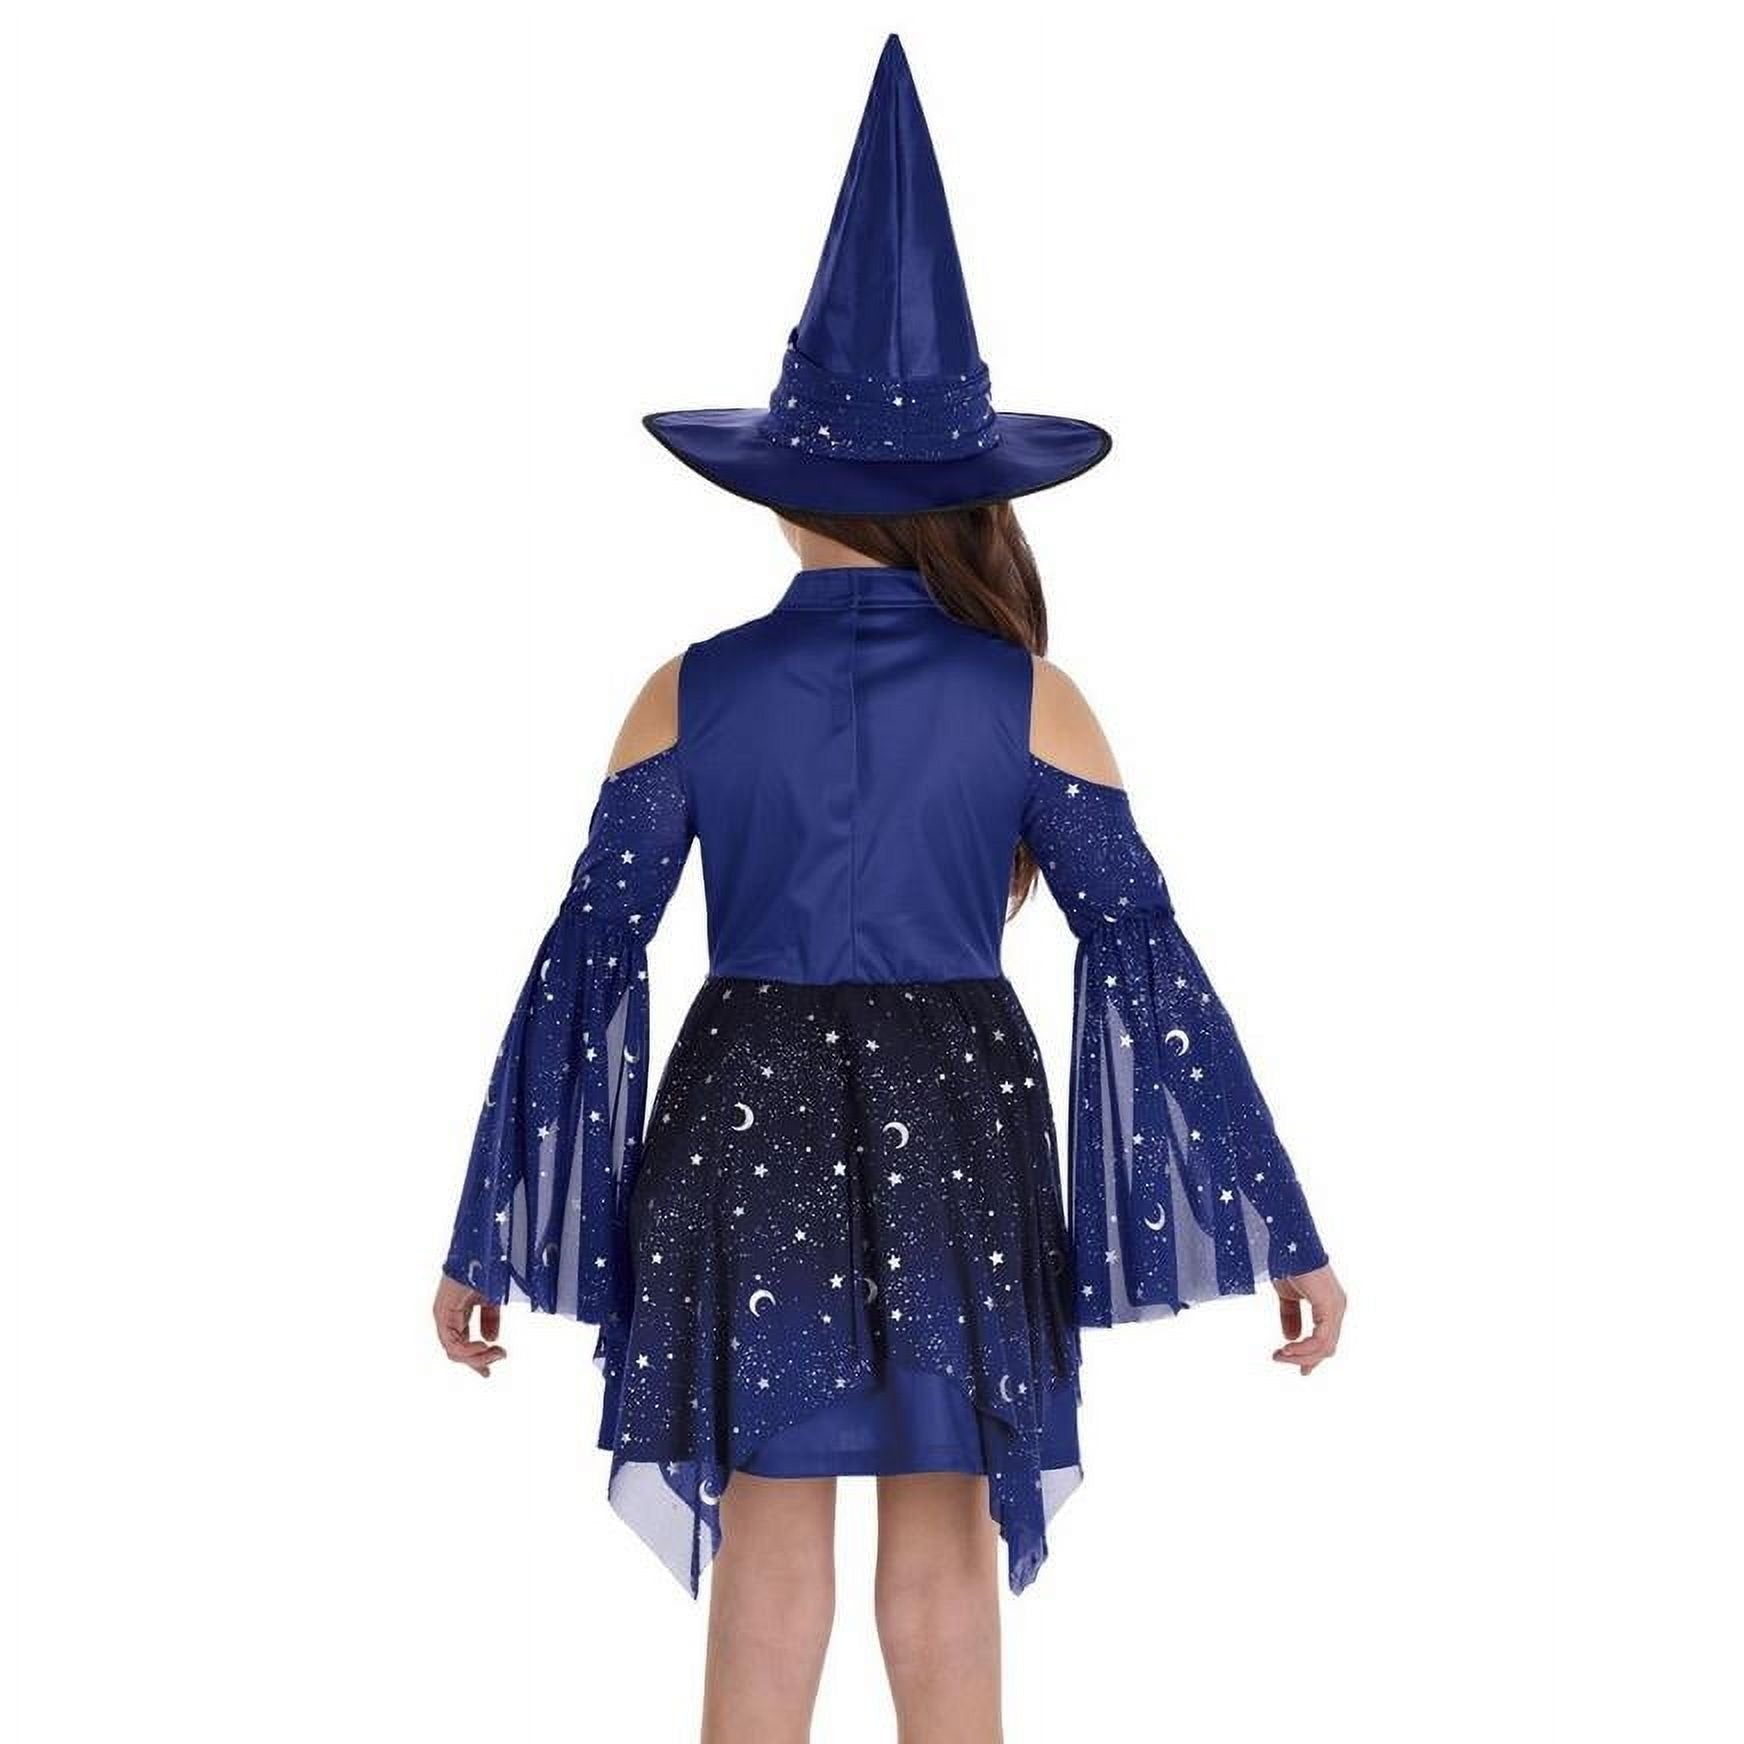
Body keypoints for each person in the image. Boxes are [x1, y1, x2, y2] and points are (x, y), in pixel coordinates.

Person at [432, 35, 1345, 1744]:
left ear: (784, 491)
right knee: (941, 1570)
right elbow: (1148, 968)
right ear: (966, 494)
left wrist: (498, 1221)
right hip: (962, 1125)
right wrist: (1276, 1223)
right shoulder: (1034, 701)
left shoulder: (686, 690)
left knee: (768, 1571)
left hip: (743, 1126)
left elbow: (587, 963)